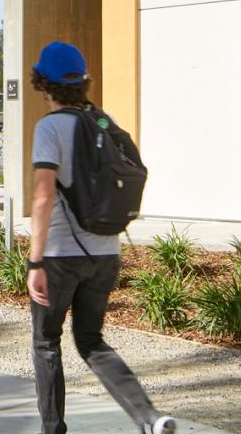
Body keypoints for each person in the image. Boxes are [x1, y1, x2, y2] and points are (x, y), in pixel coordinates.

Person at [26, 41, 177, 434]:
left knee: (46, 342)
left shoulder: (50, 128)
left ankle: (52, 430)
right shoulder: (102, 122)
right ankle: (149, 418)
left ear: (43, 83)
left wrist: (34, 260)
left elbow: (43, 194)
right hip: (106, 252)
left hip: (59, 257)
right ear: (82, 82)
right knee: (91, 340)